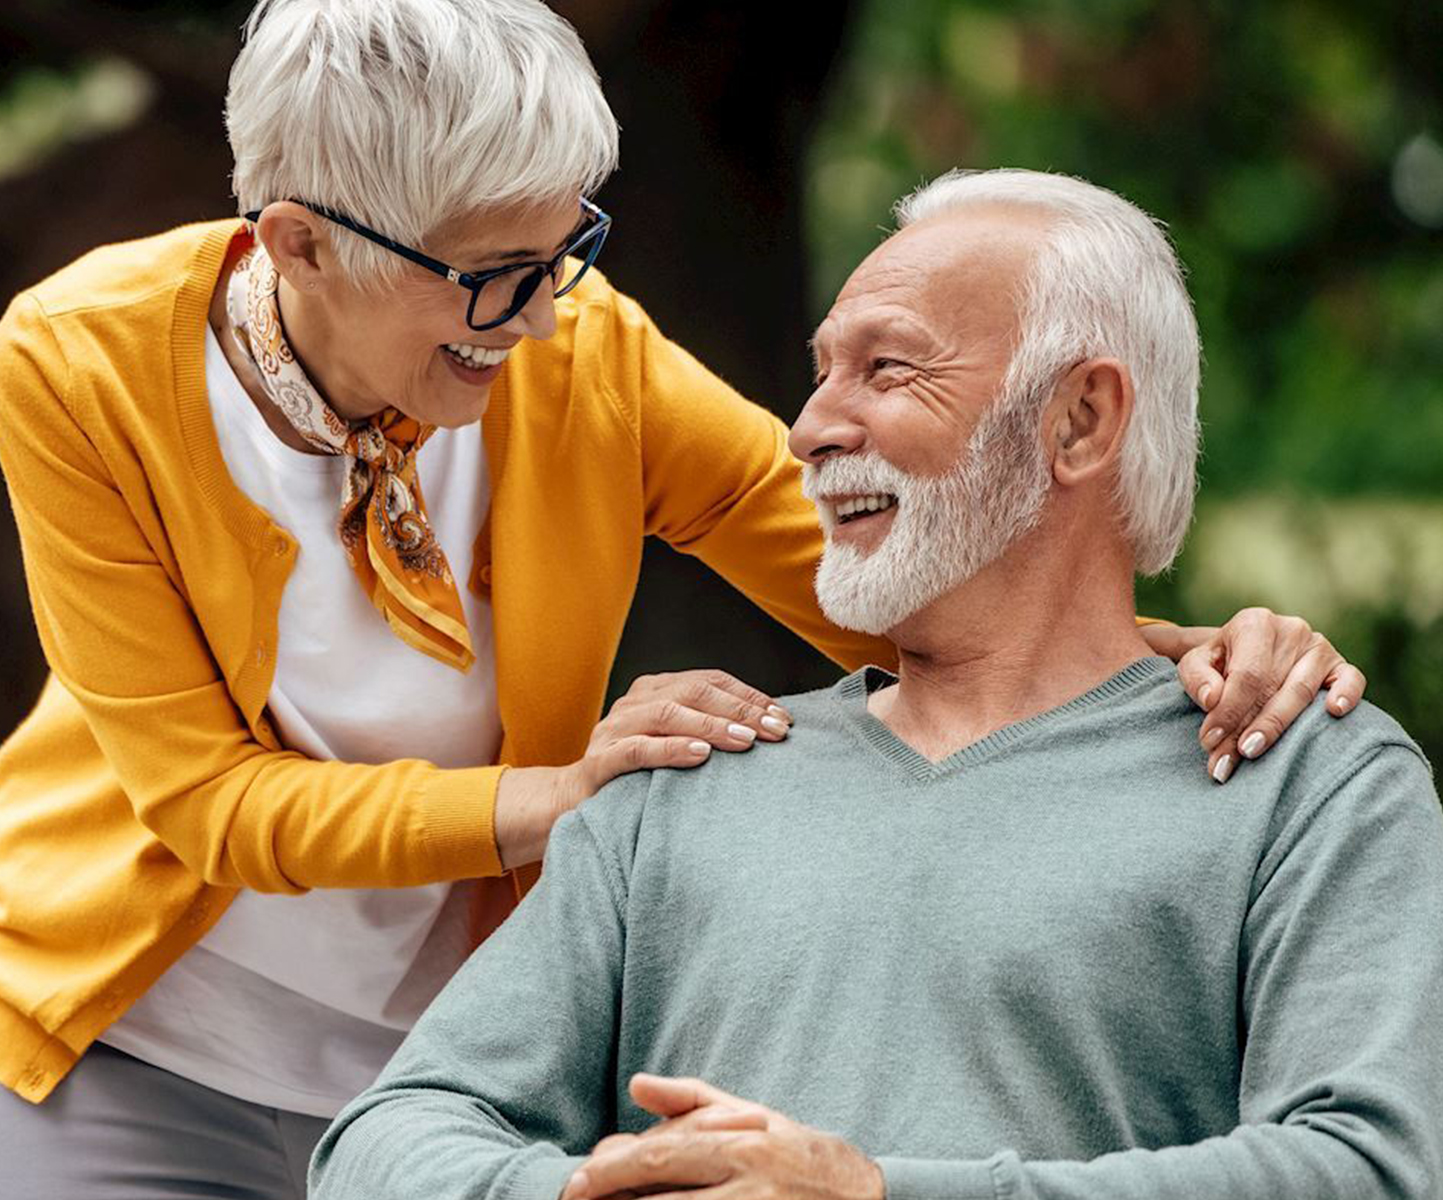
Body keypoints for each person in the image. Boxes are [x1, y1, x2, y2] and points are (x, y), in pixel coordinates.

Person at [0, 0, 1363, 1194]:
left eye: (562, 251)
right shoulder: (82, 364)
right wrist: (561, 794)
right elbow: (209, 802)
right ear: (296, 244)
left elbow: (891, 593)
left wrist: (1180, 661)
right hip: (126, 1046)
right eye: (489, 278)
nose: (538, 321)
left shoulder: (580, 354)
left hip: (435, 1075)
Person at [309, 169, 1443, 1200]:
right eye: (819, 376)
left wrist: (875, 1195)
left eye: (887, 369)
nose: (805, 431)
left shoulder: (1311, 779)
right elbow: (381, 1142)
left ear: (1081, 420)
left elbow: (1365, 1171)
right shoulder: (686, 774)